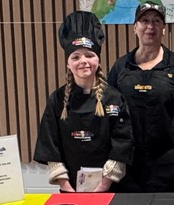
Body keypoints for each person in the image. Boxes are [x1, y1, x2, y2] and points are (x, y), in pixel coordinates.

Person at [108, 2, 174, 192]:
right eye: (144, 20)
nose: (150, 26)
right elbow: (109, 110)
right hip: (128, 163)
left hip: (168, 164)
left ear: (164, 29)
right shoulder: (120, 67)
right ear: (135, 27)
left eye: (156, 21)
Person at [33, 11, 133, 192]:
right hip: (69, 189)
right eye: (76, 57)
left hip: (110, 189)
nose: (83, 61)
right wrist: (66, 186)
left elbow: (123, 143)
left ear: (98, 59)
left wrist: (104, 184)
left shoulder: (114, 99)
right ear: (68, 63)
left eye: (89, 55)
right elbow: (50, 145)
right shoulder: (57, 100)